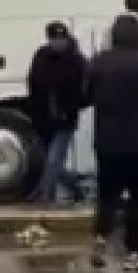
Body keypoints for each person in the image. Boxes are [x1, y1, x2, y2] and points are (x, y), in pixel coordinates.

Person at [84, 14, 138, 272]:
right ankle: (133, 252)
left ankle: (100, 237)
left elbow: (85, 95)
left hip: (107, 140)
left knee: (107, 194)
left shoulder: (98, 63)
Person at [26, 21, 88, 204]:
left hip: (65, 117)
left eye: (61, 38)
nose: (58, 42)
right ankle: (74, 187)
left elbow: (84, 88)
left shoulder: (76, 60)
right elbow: (34, 84)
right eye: (55, 38)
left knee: (53, 159)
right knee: (49, 160)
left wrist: (73, 106)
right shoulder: (41, 56)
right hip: (43, 117)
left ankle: (46, 197)